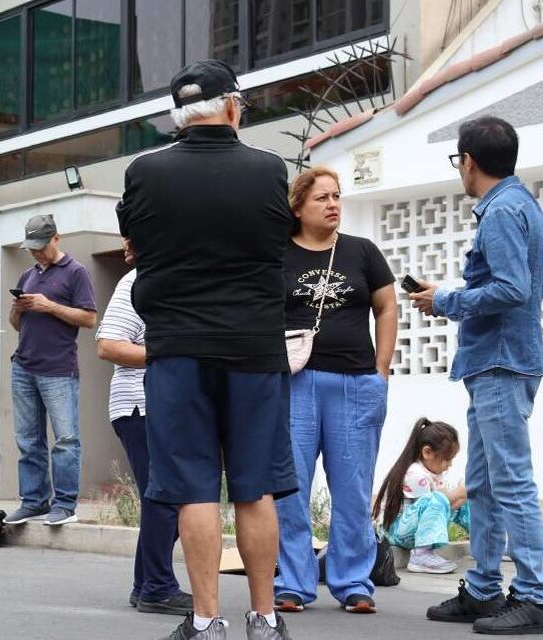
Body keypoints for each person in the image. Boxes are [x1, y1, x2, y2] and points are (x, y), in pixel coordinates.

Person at [116, 59, 296, 640]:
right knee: (255, 486)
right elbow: (278, 245)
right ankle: (265, 620)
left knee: (193, 488)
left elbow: (134, 241)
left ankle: (206, 619)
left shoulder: (146, 172)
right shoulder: (269, 170)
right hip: (252, 348)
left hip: (177, 349)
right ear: (234, 107)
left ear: (176, 117)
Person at [410, 116, 543, 635]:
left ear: (468, 160)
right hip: (498, 359)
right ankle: (483, 589)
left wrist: (446, 300)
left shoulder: (500, 211)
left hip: (500, 360)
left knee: (510, 481)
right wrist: (446, 293)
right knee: (485, 482)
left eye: (458, 161)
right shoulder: (520, 205)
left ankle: (534, 598)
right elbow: (503, 284)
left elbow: (512, 289)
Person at [272, 167, 397, 615]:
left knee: (353, 489)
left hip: (356, 383)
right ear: (299, 206)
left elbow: (386, 307)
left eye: (337, 197)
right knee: (291, 489)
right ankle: (293, 582)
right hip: (295, 385)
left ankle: (353, 582)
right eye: (322, 197)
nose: (333, 205)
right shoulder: (278, 255)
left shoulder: (362, 252)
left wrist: (381, 369)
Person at [96, 246, 192, 616]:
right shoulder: (136, 282)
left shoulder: (175, 282)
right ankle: (157, 585)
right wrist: (170, 352)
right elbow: (109, 345)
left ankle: (147, 584)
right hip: (140, 405)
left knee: (167, 498)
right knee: (166, 497)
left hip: (168, 407)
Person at [4, 214, 97, 527]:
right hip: (23, 366)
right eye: (32, 248)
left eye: (41, 246)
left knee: (65, 439)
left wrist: (51, 306)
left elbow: (88, 319)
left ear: (57, 238)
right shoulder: (27, 275)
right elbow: (16, 325)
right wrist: (17, 309)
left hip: (58, 368)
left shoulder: (76, 272)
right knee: (28, 440)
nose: (37, 253)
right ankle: (33, 501)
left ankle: (65, 504)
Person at [374, 418, 468, 575]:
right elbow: (431, 505)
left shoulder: (432, 473)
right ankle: (421, 556)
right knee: (439, 499)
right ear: (427, 452)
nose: (449, 465)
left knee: (465, 502)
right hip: (397, 532)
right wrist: (458, 493)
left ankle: (488, 543)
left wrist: (462, 498)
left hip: (414, 527)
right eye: (447, 459)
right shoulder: (415, 474)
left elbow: (438, 508)